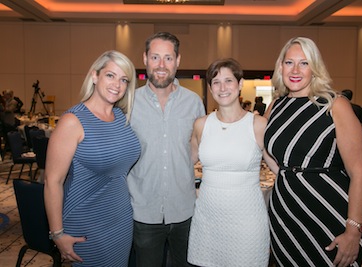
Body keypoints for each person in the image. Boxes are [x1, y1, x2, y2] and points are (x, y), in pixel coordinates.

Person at [263, 37, 362, 266]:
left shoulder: (335, 105)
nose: (295, 70)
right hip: (285, 210)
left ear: (315, 68)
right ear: (280, 66)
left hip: (328, 210)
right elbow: (269, 153)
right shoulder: (276, 106)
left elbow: (360, 172)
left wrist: (354, 230)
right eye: (289, 62)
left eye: (304, 63)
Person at [44, 50, 141, 266]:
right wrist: (57, 234)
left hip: (120, 218)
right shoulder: (73, 121)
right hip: (87, 222)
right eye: (110, 75)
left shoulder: (121, 118)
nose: (117, 84)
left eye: (124, 79)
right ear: (95, 76)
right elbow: (53, 181)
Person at [126, 32, 205, 267]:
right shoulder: (129, 103)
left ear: (178, 61)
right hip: (143, 212)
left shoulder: (194, 103)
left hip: (185, 211)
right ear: (145, 58)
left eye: (168, 58)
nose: (161, 65)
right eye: (155, 57)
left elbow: (197, 149)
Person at [187, 58, 270, 266]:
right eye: (216, 82)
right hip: (208, 219)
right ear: (210, 88)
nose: (222, 88)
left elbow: (281, 167)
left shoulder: (258, 125)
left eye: (228, 81)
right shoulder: (201, 124)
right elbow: (183, 164)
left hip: (247, 220)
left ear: (240, 84)